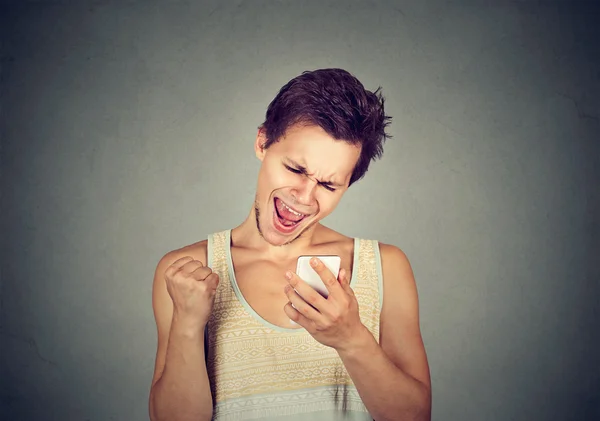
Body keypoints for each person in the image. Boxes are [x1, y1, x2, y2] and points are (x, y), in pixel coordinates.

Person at [148, 68, 431, 421]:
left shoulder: (385, 266)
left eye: (329, 186)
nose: (304, 197)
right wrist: (188, 326)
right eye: (296, 169)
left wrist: (350, 338)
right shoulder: (185, 273)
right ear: (262, 142)